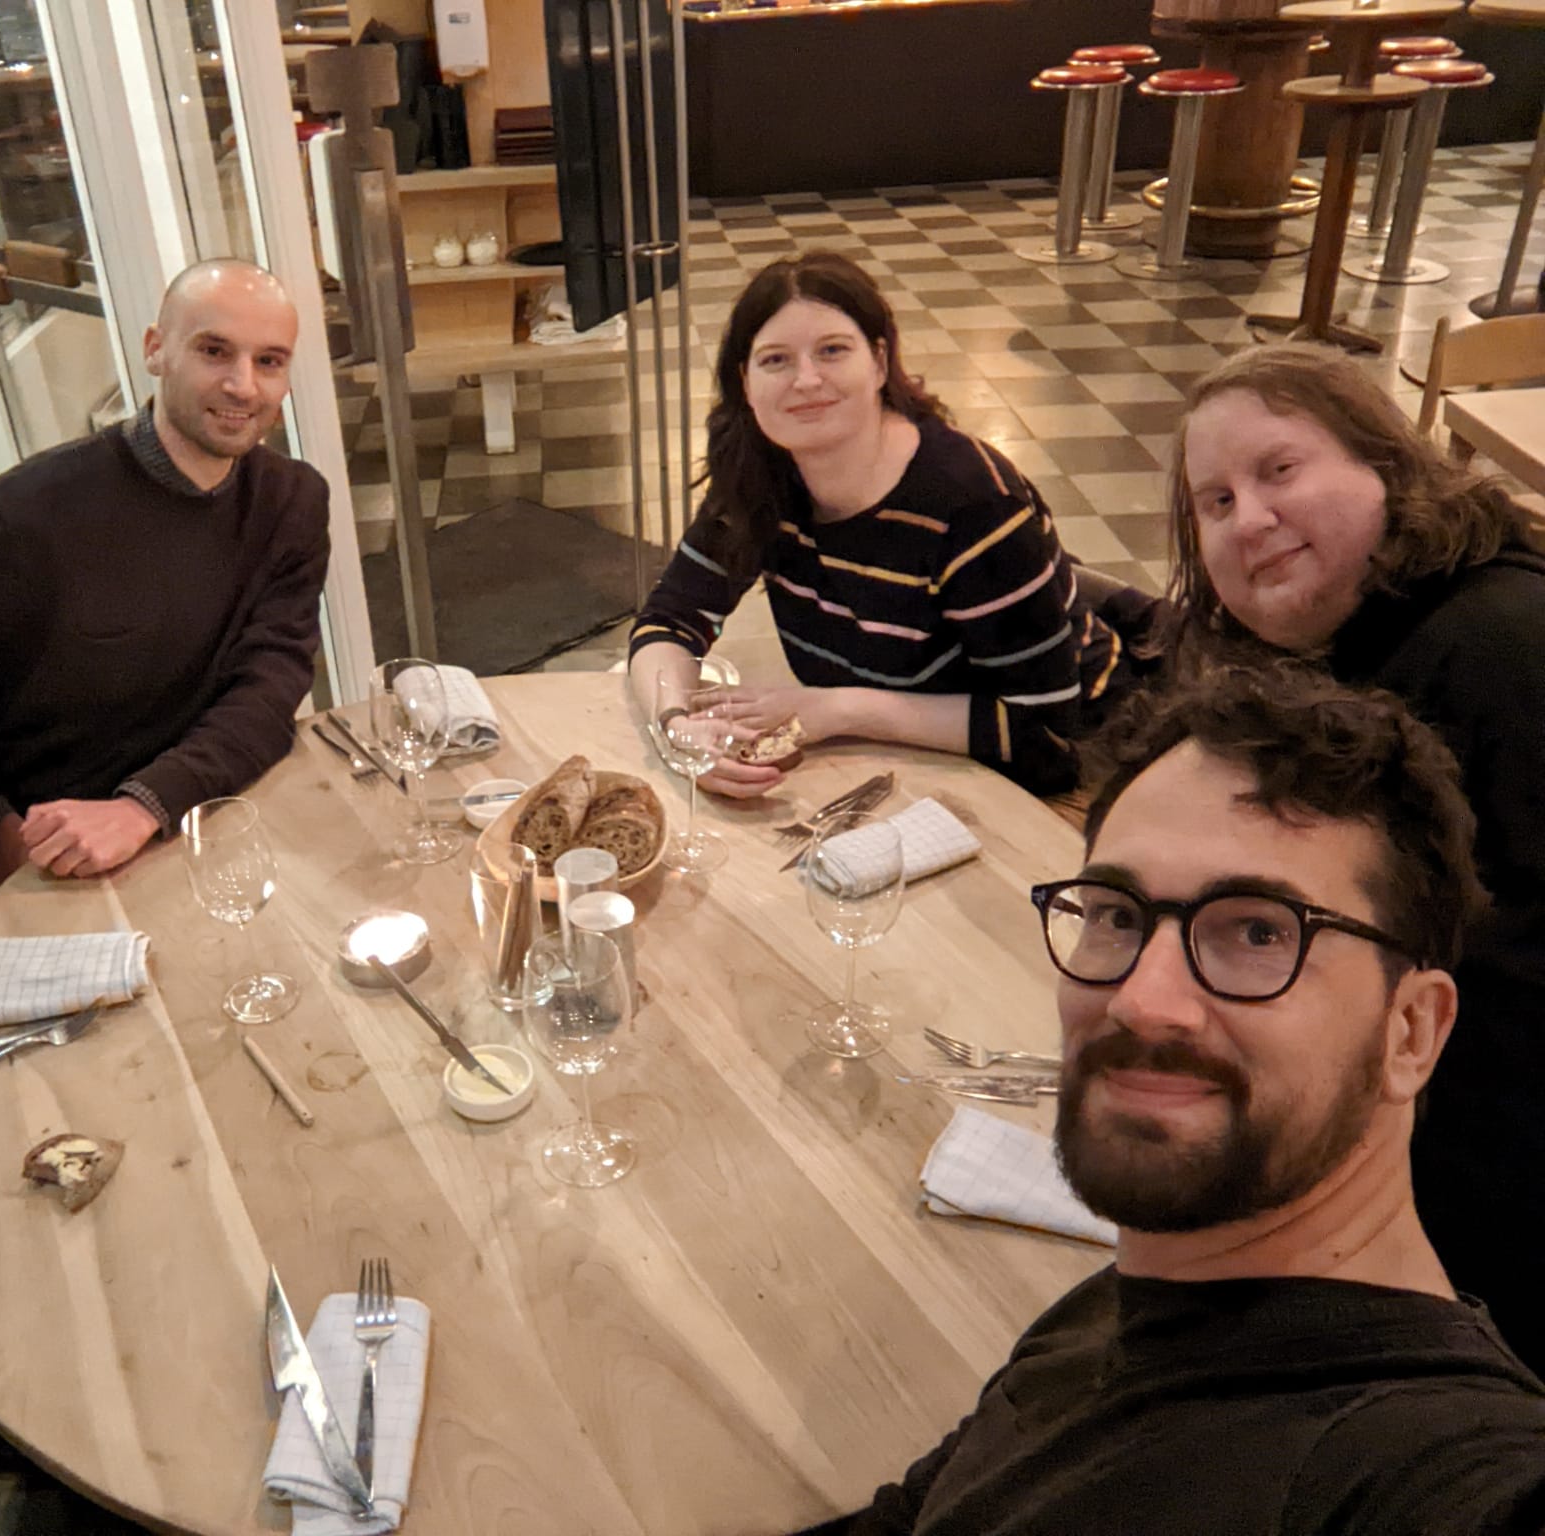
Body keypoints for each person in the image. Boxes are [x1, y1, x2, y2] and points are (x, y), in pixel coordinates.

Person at [804, 663, 1545, 1535]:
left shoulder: (1427, 1464)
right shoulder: (1142, 1286)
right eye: (1117, 913)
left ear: (1411, 1031)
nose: (1140, 1001)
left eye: (1260, 931)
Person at [1165, 340, 1545, 1373]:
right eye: (1212, 502)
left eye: (1277, 471)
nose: (1247, 517)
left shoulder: (1497, 645)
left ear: (1383, 463)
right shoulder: (1361, 661)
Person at [0, 258, 331, 882]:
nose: (243, 386)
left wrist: (146, 805)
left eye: (269, 361)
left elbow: (272, 678)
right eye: (215, 351)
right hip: (55, 850)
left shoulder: (291, 499)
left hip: (203, 812)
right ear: (156, 351)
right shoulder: (23, 518)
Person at [628, 250, 1148, 799]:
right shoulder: (759, 475)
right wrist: (677, 725)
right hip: (908, 750)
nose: (806, 380)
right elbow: (671, 619)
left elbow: (1045, 738)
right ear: (745, 380)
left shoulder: (973, 506)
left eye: (832, 351)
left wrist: (840, 708)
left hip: (1091, 761)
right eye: (775, 359)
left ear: (879, 362)